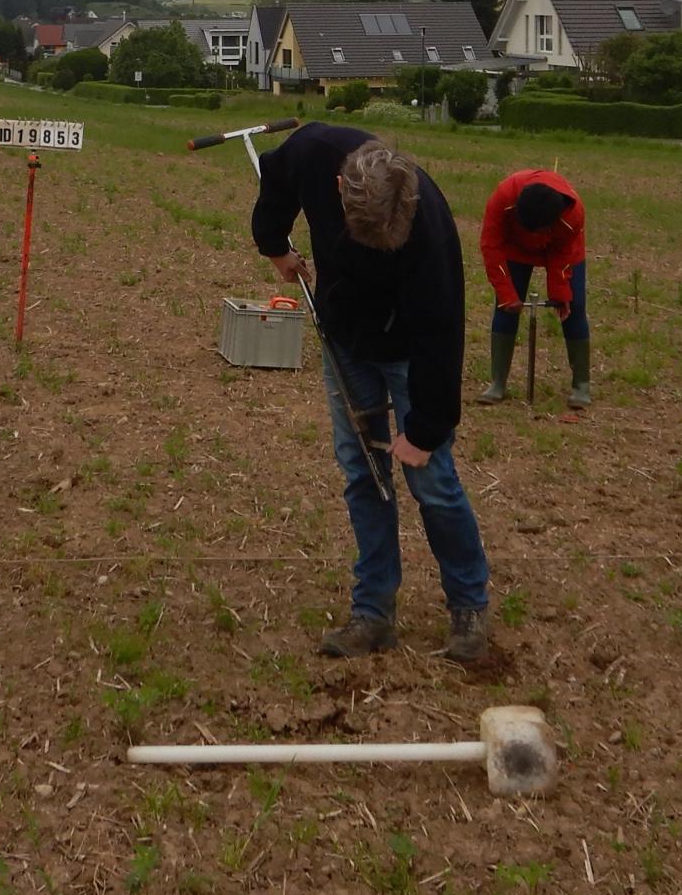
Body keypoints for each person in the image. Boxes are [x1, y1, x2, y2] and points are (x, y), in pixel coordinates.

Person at [251, 125, 491, 662]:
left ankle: (469, 606)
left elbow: (440, 333)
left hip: (407, 349)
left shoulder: (427, 226)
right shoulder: (313, 152)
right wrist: (273, 243)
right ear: (339, 187)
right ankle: (374, 613)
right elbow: (276, 172)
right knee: (364, 474)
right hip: (347, 340)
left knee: (431, 480)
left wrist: (425, 428)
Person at [478, 169, 590, 408]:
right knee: (505, 306)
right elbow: (491, 247)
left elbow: (563, 254)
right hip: (514, 249)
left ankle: (581, 385)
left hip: (561, 248)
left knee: (575, 305)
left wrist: (560, 292)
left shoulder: (573, 214)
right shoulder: (502, 198)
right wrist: (508, 295)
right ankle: (498, 382)